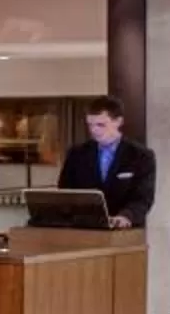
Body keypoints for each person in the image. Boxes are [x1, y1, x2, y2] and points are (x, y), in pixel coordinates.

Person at [54, 96, 154, 229]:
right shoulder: (76, 154)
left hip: (125, 232)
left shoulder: (141, 156)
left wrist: (126, 216)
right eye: (90, 125)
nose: (94, 130)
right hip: (82, 229)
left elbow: (143, 198)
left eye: (100, 125)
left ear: (118, 122)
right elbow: (65, 193)